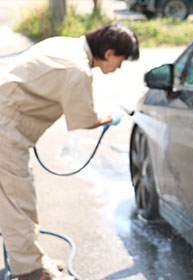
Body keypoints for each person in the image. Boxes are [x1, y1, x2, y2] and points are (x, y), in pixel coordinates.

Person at [0, 22, 139, 280]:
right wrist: (110, 117)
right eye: (120, 61)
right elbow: (83, 118)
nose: (118, 68)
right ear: (109, 52)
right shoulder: (77, 69)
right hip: (5, 133)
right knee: (18, 204)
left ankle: (30, 260)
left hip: (7, 126)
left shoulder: (63, 44)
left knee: (11, 203)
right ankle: (32, 273)